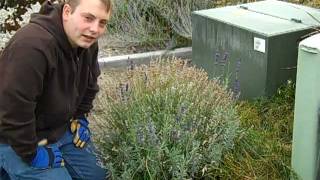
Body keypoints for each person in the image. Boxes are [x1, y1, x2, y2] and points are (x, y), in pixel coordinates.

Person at [0, 0, 111, 179]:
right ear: (67, 12)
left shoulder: (85, 41)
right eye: (88, 18)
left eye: (102, 23)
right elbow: (12, 110)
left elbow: (90, 83)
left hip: (58, 128)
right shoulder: (32, 46)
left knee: (100, 175)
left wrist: (80, 117)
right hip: (13, 138)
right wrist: (31, 153)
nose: (94, 29)